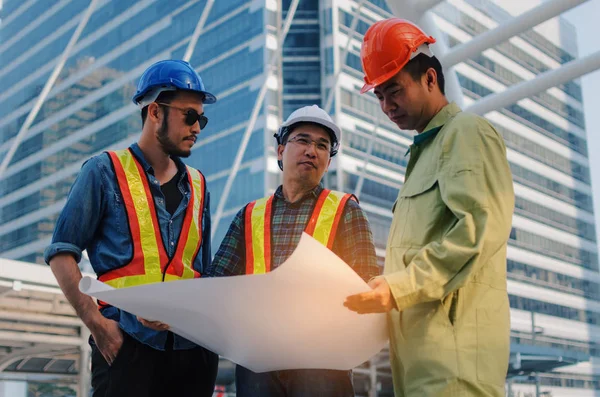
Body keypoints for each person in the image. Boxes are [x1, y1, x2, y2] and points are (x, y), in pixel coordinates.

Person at [344, 19, 515, 397]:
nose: (387, 106)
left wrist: (396, 287)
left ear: (430, 79)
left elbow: (478, 230)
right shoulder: (424, 154)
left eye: (395, 92)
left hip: (454, 361)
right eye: (380, 97)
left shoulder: (466, 133)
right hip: (420, 361)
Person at [44, 60, 219, 397]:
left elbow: (203, 273)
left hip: (193, 354)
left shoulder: (199, 185)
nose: (198, 127)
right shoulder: (102, 171)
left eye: (202, 119)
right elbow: (61, 253)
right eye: (190, 116)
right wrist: (98, 326)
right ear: (155, 112)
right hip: (128, 347)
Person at [206, 105, 380, 397]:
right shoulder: (249, 216)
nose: (312, 150)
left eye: (322, 145)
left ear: (328, 161)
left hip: (322, 361)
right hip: (258, 360)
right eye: (303, 140)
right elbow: (215, 283)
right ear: (280, 150)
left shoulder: (345, 210)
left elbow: (368, 285)